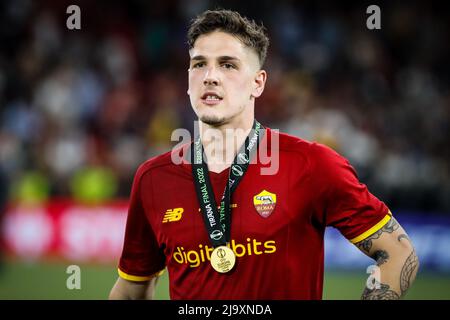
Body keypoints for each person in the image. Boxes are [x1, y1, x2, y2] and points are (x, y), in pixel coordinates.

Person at [109, 9, 418, 300]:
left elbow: (398, 252)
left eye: (228, 65)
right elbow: (130, 290)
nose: (210, 76)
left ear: (258, 83)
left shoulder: (312, 165)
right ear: (188, 80)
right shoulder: (153, 178)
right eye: (199, 64)